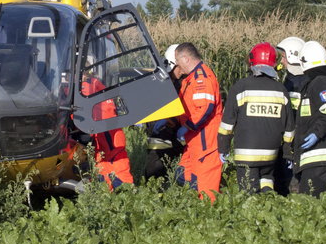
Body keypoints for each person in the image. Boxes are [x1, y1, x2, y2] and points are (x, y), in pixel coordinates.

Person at [218, 43, 294, 193]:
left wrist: (223, 148)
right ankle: (268, 197)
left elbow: (227, 124)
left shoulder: (240, 87)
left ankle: (253, 211)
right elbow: (289, 128)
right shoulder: (281, 90)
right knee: (267, 178)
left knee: (248, 193)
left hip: (247, 154)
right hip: (271, 154)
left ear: (252, 62)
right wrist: (287, 153)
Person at [173, 42, 224, 201]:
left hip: (205, 144)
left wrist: (187, 127)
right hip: (194, 142)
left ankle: (210, 219)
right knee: (182, 174)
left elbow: (204, 109)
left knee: (207, 193)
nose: (177, 65)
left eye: (177, 61)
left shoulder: (201, 78)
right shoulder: (191, 79)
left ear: (186, 59)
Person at [293, 41, 326, 197]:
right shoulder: (313, 83)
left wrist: (316, 133)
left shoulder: (321, 82)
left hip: (320, 155)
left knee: (310, 204)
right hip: (312, 157)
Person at [78, 69, 134, 192]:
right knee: (102, 159)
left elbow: (82, 107)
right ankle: (108, 189)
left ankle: (126, 190)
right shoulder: (95, 84)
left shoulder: (88, 85)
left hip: (107, 129)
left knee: (114, 157)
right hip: (102, 130)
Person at [143, 44, 184, 184]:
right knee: (155, 170)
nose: (181, 70)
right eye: (178, 67)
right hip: (159, 133)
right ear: (171, 65)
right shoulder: (158, 82)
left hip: (177, 133)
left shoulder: (180, 83)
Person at [273, 36, 306, 195]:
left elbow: (291, 112)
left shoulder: (296, 82)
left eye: (284, 57)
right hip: (295, 134)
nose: (282, 61)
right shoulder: (296, 78)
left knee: (289, 174)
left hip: (293, 136)